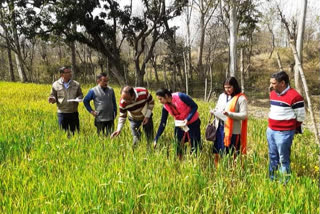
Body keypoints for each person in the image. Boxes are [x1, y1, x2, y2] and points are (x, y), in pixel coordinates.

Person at [267, 71, 305, 181]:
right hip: (271, 131)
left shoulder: (295, 97)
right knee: (272, 156)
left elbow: (300, 117)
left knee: (283, 158)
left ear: (282, 83)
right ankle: (272, 180)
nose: (271, 85)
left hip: (284, 133)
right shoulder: (273, 93)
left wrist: (290, 128)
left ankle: (284, 182)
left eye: (273, 83)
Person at [210, 77, 248, 167]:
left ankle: (232, 171)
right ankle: (218, 169)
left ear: (235, 86)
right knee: (218, 150)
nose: (227, 90)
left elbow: (244, 115)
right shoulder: (222, 96)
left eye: (229, 87)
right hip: (220, 128)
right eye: (225, 87)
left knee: (232, 153)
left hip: (233, 131)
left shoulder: (241, 98)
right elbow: (218, 108)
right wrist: (214, 111)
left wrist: (229, 114)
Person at [153, 89, 201, 158]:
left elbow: (194, 106)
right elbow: (163, 123)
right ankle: (180, 161)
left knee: (195, 144)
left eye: (160, 99)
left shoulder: (180, 96)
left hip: (193, 123)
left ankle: (195, 160)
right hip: (180, 125)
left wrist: (188, 119)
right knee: (177, 144)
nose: (160, 102)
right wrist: (156, 138)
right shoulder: (165, 106)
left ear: (166, 96)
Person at [48, 66, 83, 133]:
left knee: (75, 133)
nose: (70, 74)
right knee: (63, 133)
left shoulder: (76, 84)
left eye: (70, 72)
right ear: (62, 74)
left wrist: (79, 98)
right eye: (67, 72)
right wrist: (52, 99)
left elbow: (80, 94)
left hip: (74, 113)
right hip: (62, 113)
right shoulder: (55, 84)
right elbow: (53, 95)